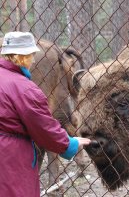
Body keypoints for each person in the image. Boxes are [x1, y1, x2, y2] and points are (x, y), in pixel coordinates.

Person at [0, 32, 91, 197]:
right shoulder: (25, 88)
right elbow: (44, 128)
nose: (33, 60)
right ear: (22, 57)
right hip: (13, 158)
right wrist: (70, 145)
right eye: (31, 56)